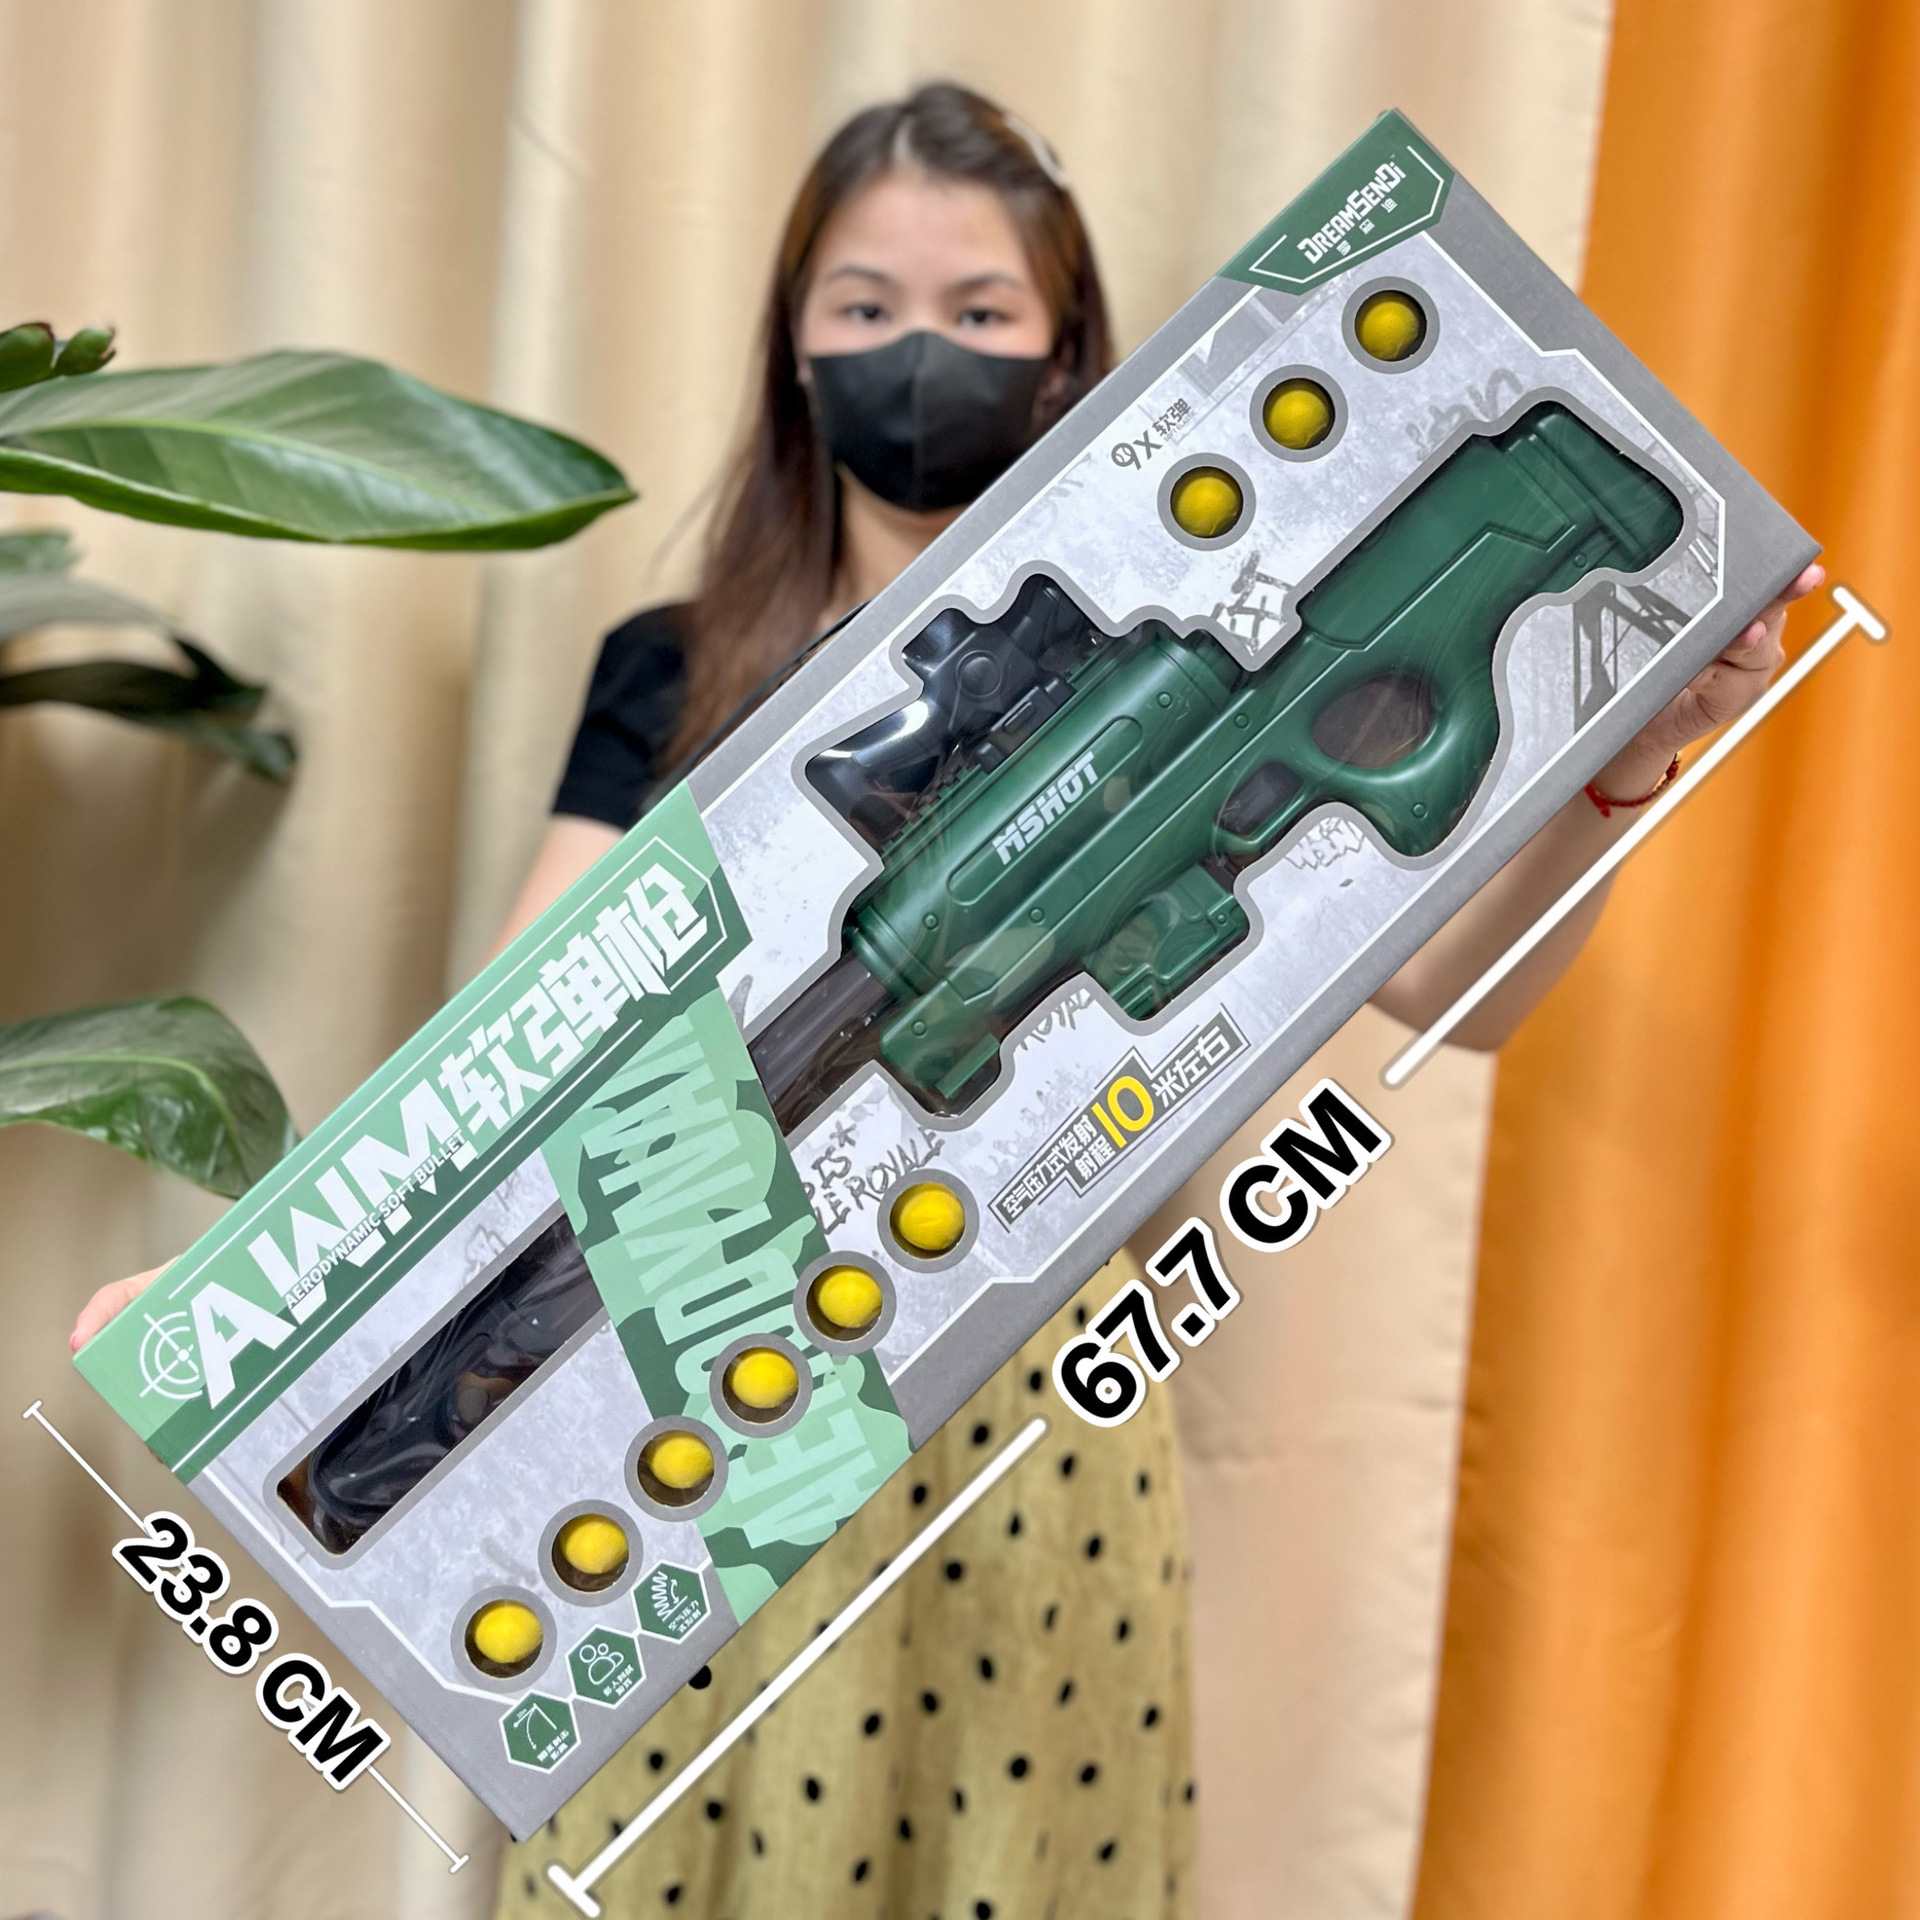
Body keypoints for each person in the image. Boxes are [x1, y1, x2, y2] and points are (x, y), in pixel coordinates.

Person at [70, 80, 1821, 1920]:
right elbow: (526, 1049)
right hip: (701, 1450)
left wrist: (1625, 763)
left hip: (1029, 1448)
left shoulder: (1200, 626)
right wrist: (263, 1304)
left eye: (980, 309)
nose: (921, 352)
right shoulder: (672, 670)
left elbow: (1471, 996)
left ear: (1067, 356)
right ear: (793, 349)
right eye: (867, 306)